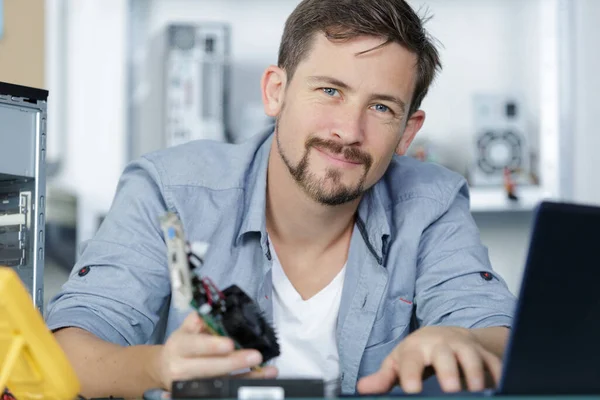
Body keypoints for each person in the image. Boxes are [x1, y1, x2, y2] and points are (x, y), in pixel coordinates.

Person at [45, 0, 517, 398]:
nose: (348, 132)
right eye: (330, 91)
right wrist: (159, 366)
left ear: (407, 132)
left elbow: (499, 332)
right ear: (277, 91)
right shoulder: (170, 191)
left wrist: (460, 339)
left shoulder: (431, 201)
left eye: (381, 107)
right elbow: (69, 350)